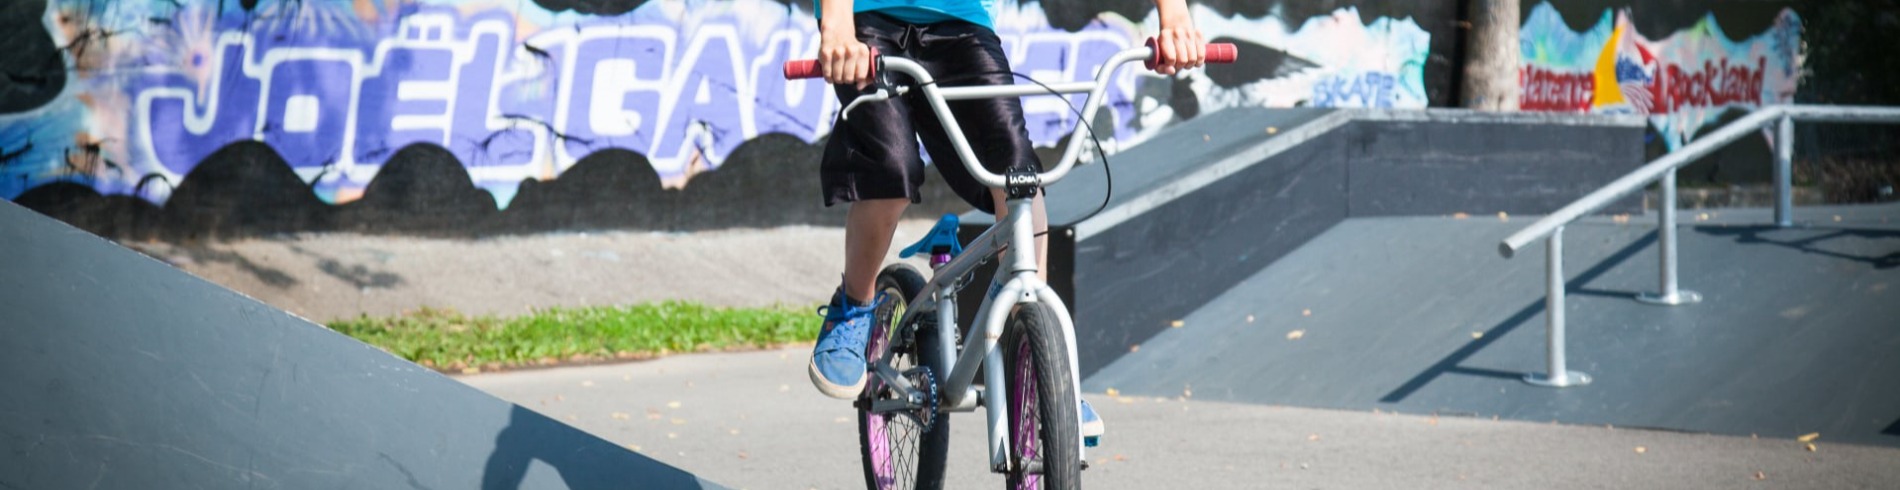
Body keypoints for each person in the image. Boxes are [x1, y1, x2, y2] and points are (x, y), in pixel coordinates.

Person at [806, 0, 1207, 442]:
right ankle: (853, 308)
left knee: (1018, 174)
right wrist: (838, 25)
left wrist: (1175, 18)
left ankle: (1040, 368)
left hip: (960, 23)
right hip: (867, 20)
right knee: (890, 168)